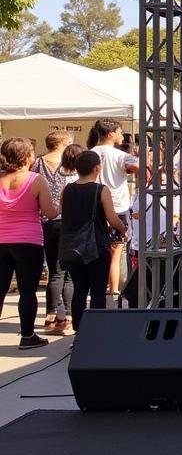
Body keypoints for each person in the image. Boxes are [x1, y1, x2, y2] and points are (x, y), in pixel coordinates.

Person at [60, 150, 127, 334]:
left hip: (72, 246)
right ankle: (95, 332)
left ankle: (79, 331)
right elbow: (112, 218)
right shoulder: (100, 189)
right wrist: (122, 228)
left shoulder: (67, 190)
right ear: (97, 168)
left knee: (79, 289)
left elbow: (62, 212)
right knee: (97, 290)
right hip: (96, 245)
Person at [0, 138, 58, 348]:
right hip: (28, 240)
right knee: (27, 291)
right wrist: (60, 204)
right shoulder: (35, 180)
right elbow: (50, 213)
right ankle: (27, 336)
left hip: (0, 240)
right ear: (25, 157)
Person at [87, 119, 139, 301]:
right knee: (116, 253)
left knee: (98, 251)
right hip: (118, 206)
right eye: (119, 132)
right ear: (110, 133)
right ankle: (114, 290)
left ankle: (100, 288)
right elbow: (141, 168)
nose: (121, 135)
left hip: (93, 206)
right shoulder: (120, 155)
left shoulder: (89, 153)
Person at [31, 131, 75, 334]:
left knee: (54, 271)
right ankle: (67, 316)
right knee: (68, 273)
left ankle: (50, 315)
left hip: (45, 220)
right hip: (67, 220)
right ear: (62, 143)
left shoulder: (38, 163)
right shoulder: (70, 164)